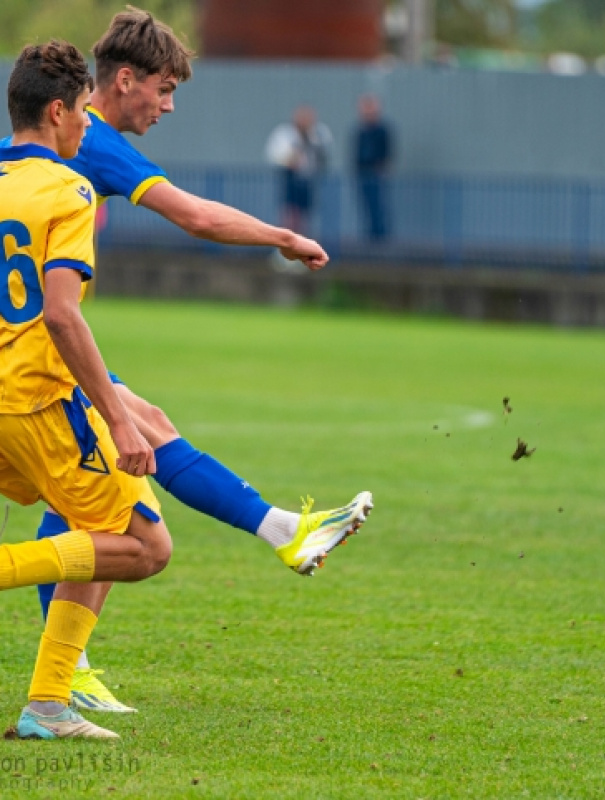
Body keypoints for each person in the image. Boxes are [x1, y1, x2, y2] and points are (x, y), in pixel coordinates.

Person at [2, 7, 373, 714]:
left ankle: (65, 671)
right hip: (36, 361)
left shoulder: (21, 150)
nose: (169, 106)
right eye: (165, 89)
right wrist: (281, 236)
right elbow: (195, 215)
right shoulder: (91, 143)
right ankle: (280, 534)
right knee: (129, 479)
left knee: (124, 456)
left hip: (23, 356)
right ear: (121, 81)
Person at [0, 39, 173, 740]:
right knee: (142, 544)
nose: (86, 130)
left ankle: (46, 704)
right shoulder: (66, 190)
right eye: (81, 117)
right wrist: (121, 421)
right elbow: (62, 314)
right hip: (38, 404)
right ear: (58, 111)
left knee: (90, 522)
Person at [264, 105, 333, 236]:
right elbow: (276, 155)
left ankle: (303, 241)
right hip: (289, 177)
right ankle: (286, 241)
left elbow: (324, 153)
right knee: (290, 212)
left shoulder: (318, 134)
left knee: (306, 213)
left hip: (309, 179)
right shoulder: (284, 134)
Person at [353, 94, 393, 241]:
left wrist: (381, 168)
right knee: (366, 205)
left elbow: (387, 152)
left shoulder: (382, 130)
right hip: (363, 173)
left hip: (376, 174)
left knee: (379, 206)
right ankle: (370, 236)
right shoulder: (361, 131)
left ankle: (380, 237)